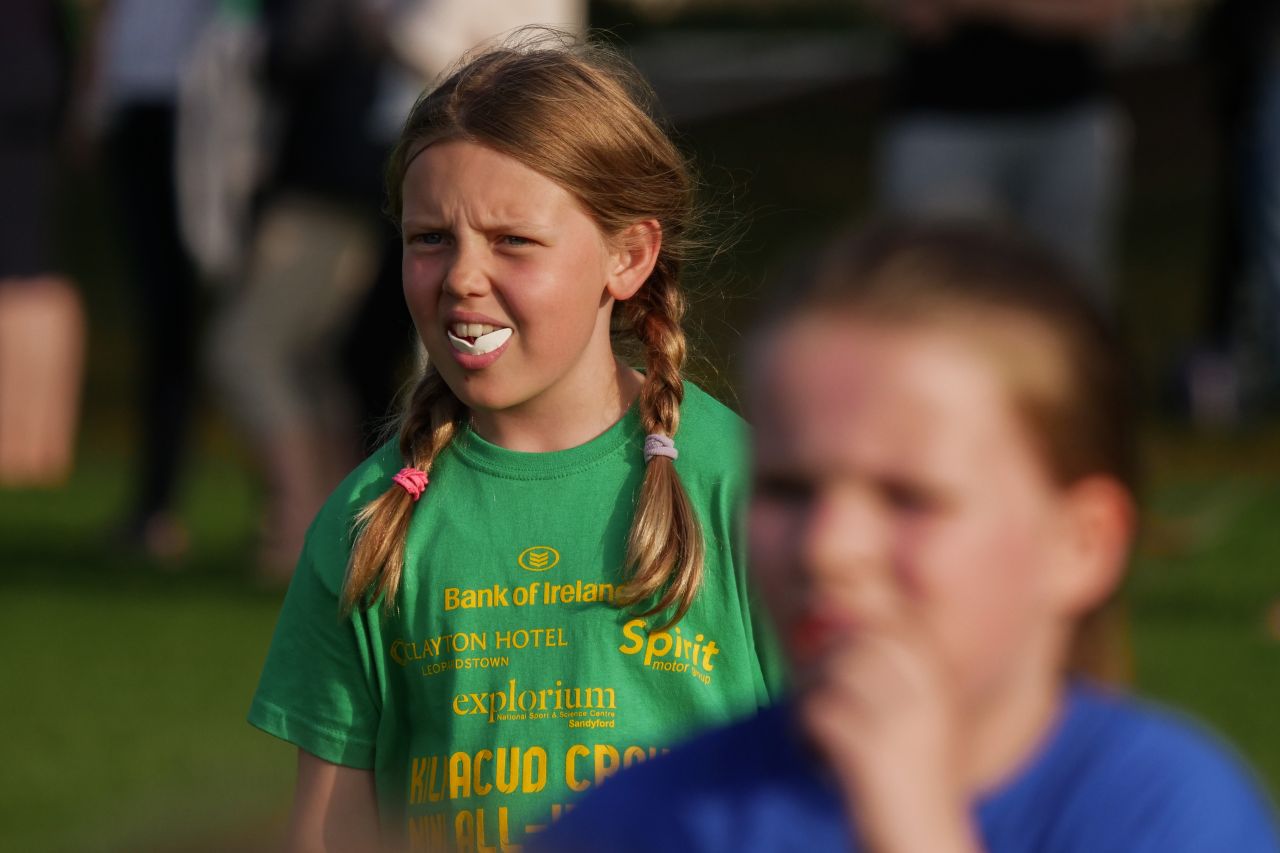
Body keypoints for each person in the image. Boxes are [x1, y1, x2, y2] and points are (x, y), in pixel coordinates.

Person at [536, 221, 1280, 852]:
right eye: (790, 489)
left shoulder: (1166, 811)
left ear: (1081, 544)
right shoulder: (645, 818)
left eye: (909, 499)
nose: (827, 545)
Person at [248, 34, 783, 852]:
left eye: (513, 241)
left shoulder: (754, 489)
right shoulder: (368, 520)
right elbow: (329, 831)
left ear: (628, 255)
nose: (461, 276)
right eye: (430, 238)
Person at [870, 0, 1131, 307]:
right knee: (934, 288)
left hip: (1068, 122)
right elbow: (914, 15)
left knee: (1068, 296)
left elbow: (1102, 13)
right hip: (942, 120)